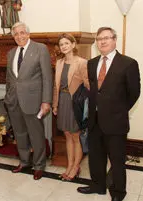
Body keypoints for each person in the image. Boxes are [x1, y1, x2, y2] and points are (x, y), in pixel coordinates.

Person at [77, 27, 141, 201]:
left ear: (114, 39)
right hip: (94, 120)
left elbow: (134, 93)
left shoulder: (128, 63)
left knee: (117, 160)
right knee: (96, 157)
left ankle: (118, 193)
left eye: (106, 38)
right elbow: (94, 91)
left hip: (116, 121)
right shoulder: (92, 63)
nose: (102, 42)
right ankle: (98, 186)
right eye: (99, 39)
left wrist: (118, 110)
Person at [4, 22, 53, 180]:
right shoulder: (11, 53)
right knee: (19, 133)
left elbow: (47, 77)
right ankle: (24, 161)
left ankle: (39, 165)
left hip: (33, 100)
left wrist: (46, 101)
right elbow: (9, 78)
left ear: (28, 33)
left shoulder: (40, 49)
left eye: (22, 32)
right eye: (16, 34)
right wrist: (8, 96)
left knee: (36, 134)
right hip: (14, 100)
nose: (19, 36)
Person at [52, 33, 89, 181]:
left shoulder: (82, 63)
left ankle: (75, 166)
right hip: (62, 101)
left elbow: (88, 85)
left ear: (73, 45)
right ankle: (69, 165)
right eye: (61, 44)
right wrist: (55, 105)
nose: (64, 46)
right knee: (67, 134)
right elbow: (56, 87)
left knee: (76, 136)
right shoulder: (59, 62)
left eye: (67, 43)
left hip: (76, 103)